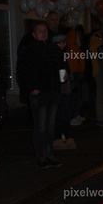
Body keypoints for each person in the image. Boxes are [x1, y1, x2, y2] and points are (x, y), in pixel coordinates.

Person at [17, 22, 63, 167]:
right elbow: (22, 71)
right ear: (34, 34)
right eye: (40, 31)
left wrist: (63, 76)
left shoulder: (53, 49)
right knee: (41, 126)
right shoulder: (29, 50)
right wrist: (31, 88)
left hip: (53, 92)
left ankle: (50, 153)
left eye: (45, 30)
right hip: (39, 93)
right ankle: (41, 156)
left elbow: (59, 66)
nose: (43, 33)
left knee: (50, 126)